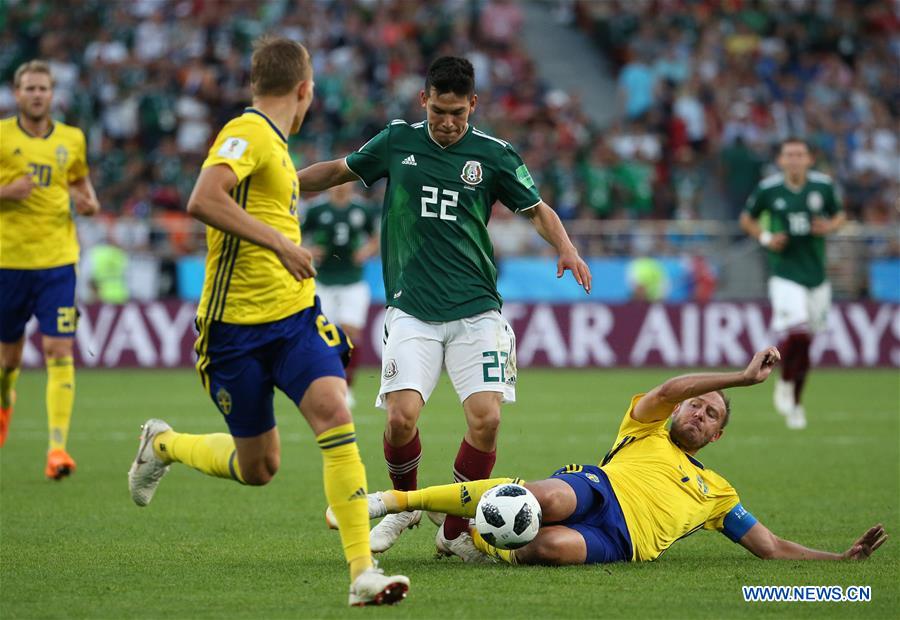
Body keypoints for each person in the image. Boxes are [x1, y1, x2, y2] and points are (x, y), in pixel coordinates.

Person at [126, 36, 408, 607]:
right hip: (232, 331)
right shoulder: (250, 133)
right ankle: (164, 446)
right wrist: (279, 240)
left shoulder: (276, 147)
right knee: (259, 468)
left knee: (334, 411)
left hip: (295, 318)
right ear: (304, 90)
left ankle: (362, 573)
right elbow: (204, 198)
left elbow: (285, 188)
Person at [297, 56, 592, 560]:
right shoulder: (397, 141)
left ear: (473, 105)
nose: (448, 122)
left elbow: (536, 209)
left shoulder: (495, 155)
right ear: (424, 101)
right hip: (412, 308)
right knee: (400, 418)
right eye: (439, 111)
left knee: (487, 421)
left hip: (477, 308)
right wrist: (278, 181)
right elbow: (337, 171)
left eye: (458, 112)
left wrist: (565, 246)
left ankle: (454, 531)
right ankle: (404, 508)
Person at [337, 347, 887, 566]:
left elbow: (768, 547)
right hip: (599, 486)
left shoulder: (718, 493)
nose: (698, 412)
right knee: (544, 498)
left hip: (624, 542)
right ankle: (397, 501)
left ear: (717, 437)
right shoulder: (646, 428)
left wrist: (839, 562)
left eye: (712, 414)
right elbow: (671, 387)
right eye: (696, 405)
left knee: (549, 547)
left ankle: (461, 536)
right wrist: (739, 380)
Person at [0, 60, 100, 479]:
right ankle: (6, 403)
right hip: (9, 262)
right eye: (29, 88)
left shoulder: (72, 139)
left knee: (59, 351)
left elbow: (79, 181)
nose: (37, 94)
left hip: (59, 262)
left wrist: (88, 201)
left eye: (43, 88)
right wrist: (7, 191)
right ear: (17, 94)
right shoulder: (2, 136)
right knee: (8, 361)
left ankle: (57, 450)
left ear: (52, 94)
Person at [740, 138, 846, 430]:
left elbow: (840, 214)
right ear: (781, 160)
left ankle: (797, 403)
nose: (795, 159)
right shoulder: (769, 189)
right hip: (785, 273)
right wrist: (766, 238)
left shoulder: (822, 186)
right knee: (797, 333)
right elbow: (747, 219)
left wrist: (830, 226)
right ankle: (784, 381)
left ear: (809, 159)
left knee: (807, 341)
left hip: (817, 276)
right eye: (790, 154)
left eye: (800, 154)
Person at [302, 182, 379, 408]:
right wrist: (309, 251)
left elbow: (375, 238)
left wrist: (366, 251)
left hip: (353, 282)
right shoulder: (316, 209)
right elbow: (296, 236)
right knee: (323, 336)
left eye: (347, 182)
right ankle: (323, 387)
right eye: (338, 182)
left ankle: (347, 388)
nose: (342, 186)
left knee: (350, 332)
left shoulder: (361, 209)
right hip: (323, 281)